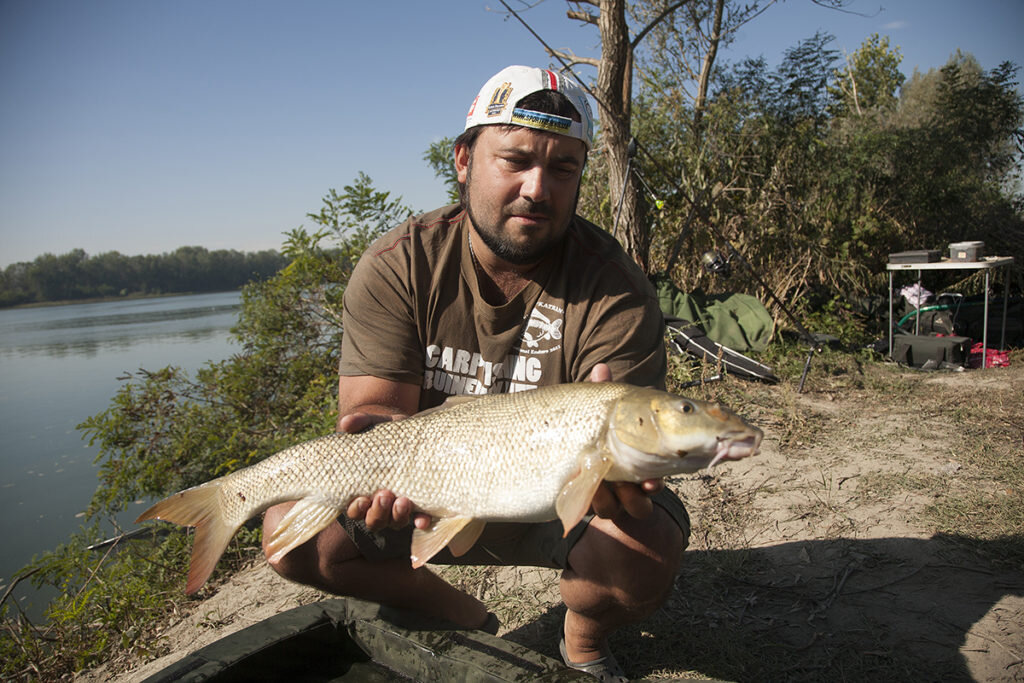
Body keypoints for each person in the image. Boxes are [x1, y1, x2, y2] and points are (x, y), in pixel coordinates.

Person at [263, 65, 689, 682]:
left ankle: (584, 644)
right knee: (291, 534)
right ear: (464, 159)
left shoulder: (616, 288)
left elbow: (632, 445)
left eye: (563, 168)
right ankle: (464, 616)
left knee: (643, 552)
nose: (537, 188)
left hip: (557, 497)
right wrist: (379, 475)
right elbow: (373, 414)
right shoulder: (399, 264)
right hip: (426, 493)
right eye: (515, 160)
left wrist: (623, 463)